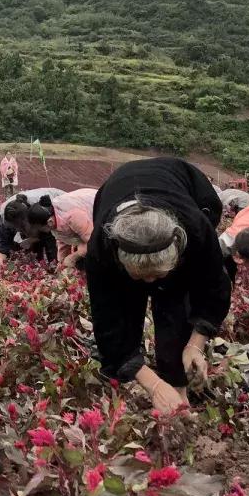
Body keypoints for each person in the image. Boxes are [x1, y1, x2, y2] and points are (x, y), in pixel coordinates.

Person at [85, 157, 230, 415]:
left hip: (189, 189)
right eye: (142, 276)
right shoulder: (102, 249)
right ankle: (167, 394)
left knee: (174, 302)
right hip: (114, 192)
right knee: (126, 306)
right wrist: (153, 385)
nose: (152, 282)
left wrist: (195, 343)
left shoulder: (196, 230)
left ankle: (179, 393)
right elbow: (108, 322)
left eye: (159, 273)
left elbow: (213, 288)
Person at [26, 188, 98, 268]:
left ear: (49, 222)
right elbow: (62, 239)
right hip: (86, 227)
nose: (40, 231)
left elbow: (93, 241)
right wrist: (61, 262)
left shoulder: (73, 216)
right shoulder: (55, 219)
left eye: (40, 228)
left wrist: (74, 257)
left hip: (98, 208)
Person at [0, 188, 65, 264]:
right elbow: (3, 246)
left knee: (51, 246)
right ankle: (40, 263)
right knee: (29, 246)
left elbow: (49, 235)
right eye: (16, 228)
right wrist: (1, 267)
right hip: (37, 219)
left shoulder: (40, 210)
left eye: (21, 228)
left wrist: (54, 263)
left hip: (61, 205)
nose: (19, 230)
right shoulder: (6, 216)